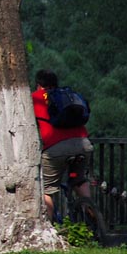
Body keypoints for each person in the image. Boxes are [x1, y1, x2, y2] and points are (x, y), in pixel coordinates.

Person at [33, 69, 94, 222]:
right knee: (79, 180)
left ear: (39, 85)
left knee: (46, 189)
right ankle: (93, 215)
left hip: (56, 148)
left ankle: (47, 228)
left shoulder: (35, 98)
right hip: (83, 144)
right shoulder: (67, 95)